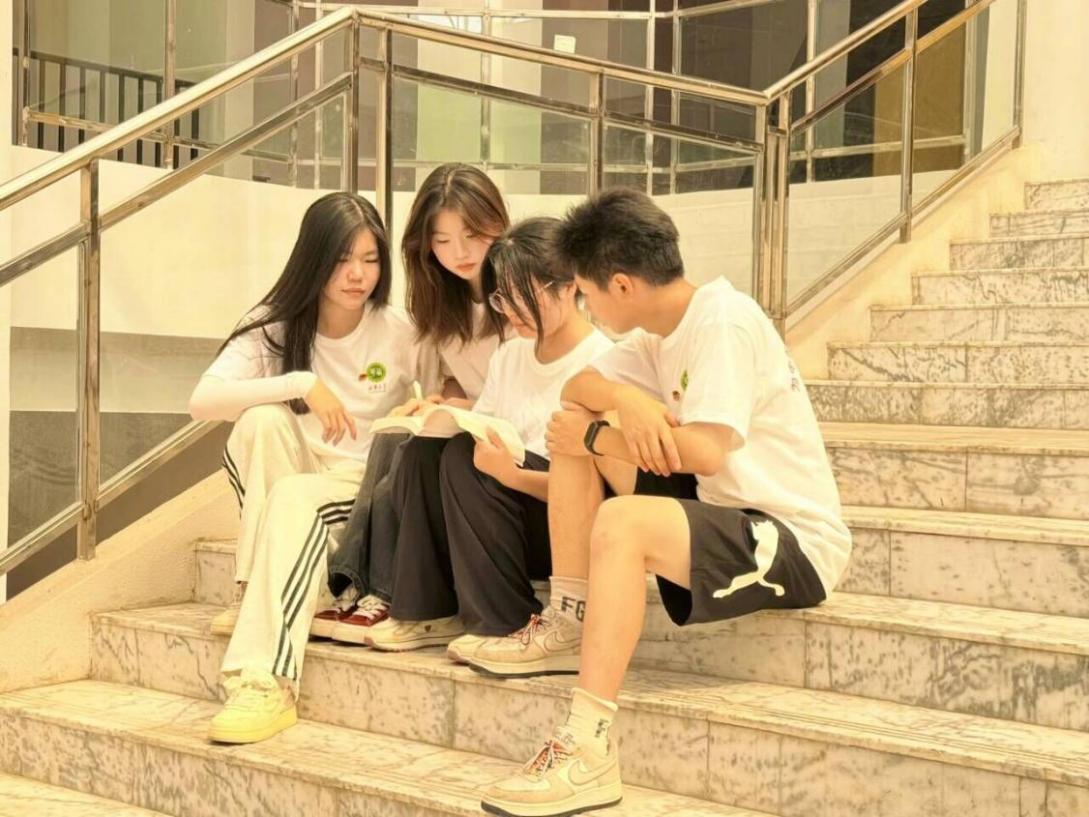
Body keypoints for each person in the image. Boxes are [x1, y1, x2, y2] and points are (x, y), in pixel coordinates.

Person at [477, 188, 851, 817]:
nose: (588, 309)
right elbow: (578, 387)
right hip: (722, 509)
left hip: (789, 539)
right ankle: (570, 617)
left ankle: (589, 748)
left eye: (587, 294)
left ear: (621, 286)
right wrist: (625, 401)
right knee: (572, 427)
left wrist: (601, 433)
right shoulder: (660, 333)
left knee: (617, 513)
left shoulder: (722, 322)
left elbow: (705, 451)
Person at [188, 192, 437, 744]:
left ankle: (265, 680)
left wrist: (414, 413)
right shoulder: (273, 324)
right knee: (260, 421)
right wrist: (300, 383)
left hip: (359, 486)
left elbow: (445, 398)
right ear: (313, 258)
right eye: (342, 259)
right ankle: (253, 586)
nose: (357, 275)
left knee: (296, 494)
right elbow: (203, 402)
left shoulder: (399, 330)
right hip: (298, 477)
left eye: (370, 260)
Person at [364, 217, 613, 657]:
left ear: (569, 285)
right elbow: (481, 428)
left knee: (464, 457)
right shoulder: (511, 354)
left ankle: (505, 619)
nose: (511, 310)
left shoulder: (603, 362)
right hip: (502, 512)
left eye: (524, 296)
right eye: (502, 297)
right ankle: (428, 612)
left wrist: (513, 477)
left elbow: (599, 490)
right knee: (424, 451)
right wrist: (437, 416)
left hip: (564, 528)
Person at [317, 164, 512, 645]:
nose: (460, 252)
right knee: (393, 433)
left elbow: (526, 385)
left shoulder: (520, 291)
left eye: (472, 234)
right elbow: (457, 379)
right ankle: (364, 588)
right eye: (442, 241)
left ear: (497, 222)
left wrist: (458, 408)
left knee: (414, 459)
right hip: (475, 426)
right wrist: (439, 404)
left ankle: (383, 592)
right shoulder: (441, 304)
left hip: (514, 438)